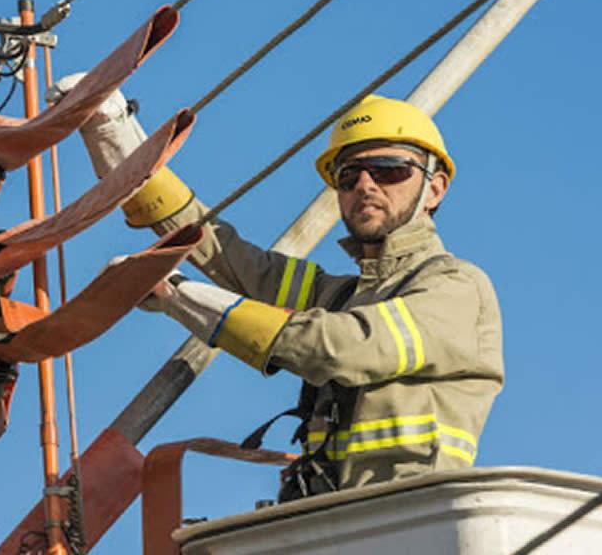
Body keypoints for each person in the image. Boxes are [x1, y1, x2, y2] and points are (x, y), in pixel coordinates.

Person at [51, 76, 504, 496]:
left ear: (435, 188)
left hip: (407, 519)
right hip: (329, 522)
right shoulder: (344, 297)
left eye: (388, 170)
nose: (365, 185)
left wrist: (176, 294)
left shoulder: (455, 287)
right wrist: (114, 137)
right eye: (349, 176)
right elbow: (231, 260)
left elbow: (341, 349)